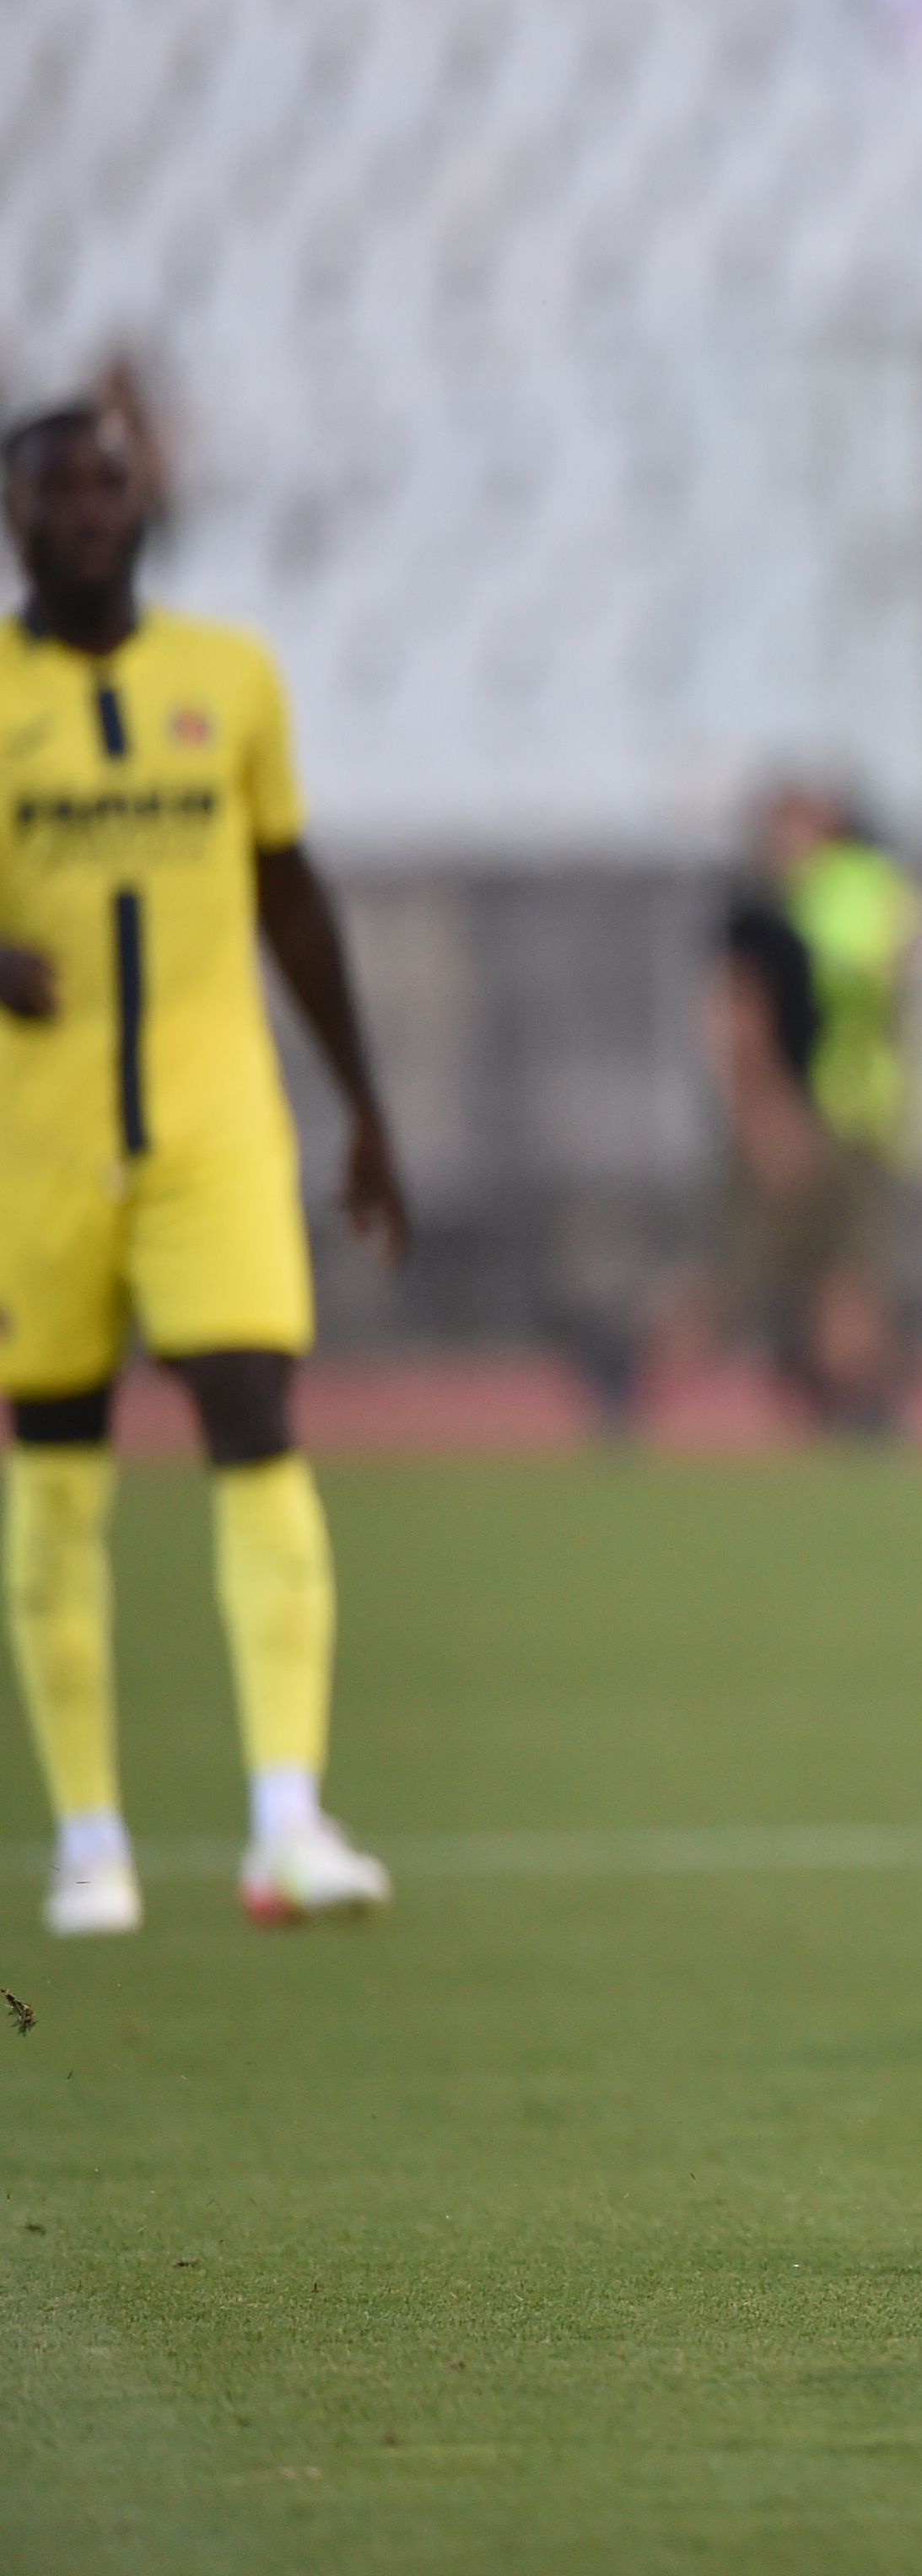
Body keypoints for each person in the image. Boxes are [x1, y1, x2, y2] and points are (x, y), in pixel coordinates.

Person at [0, 402, 412, 1937]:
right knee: (56, 1464)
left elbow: (289, 892)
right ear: (14, 515)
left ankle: (287, 1821)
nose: (87, 512)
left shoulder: (228, 678)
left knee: (256, 1420)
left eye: (109, 486)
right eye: (57, 490)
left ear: (143, 506)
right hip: (35, 1145)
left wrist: (364, 1103)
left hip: (211, 1128)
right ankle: (89, 1839)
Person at [649, 782, 921, 1438]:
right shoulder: (760, 920)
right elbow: (738, 1027)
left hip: (845, 1118)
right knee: (733, 1278)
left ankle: (855, 1405)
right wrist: (763, 1115)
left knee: (847, 1272)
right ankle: (632, 1386)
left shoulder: (829, 903)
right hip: (789, 1118)